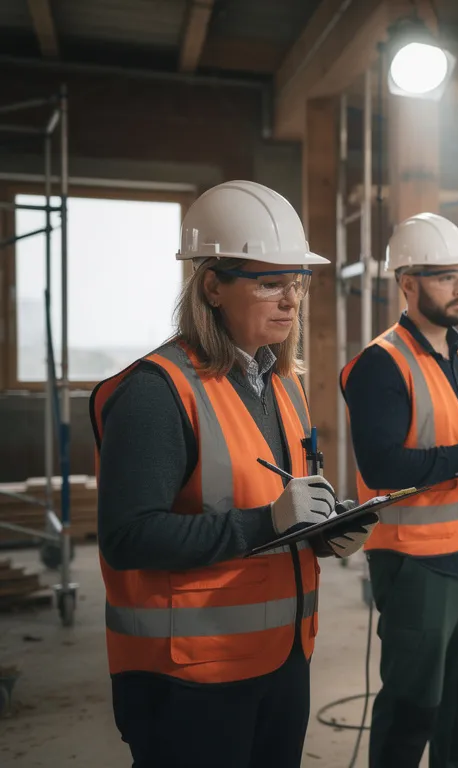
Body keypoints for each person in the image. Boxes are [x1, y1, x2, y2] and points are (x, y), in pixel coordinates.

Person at [92, 180, 373, 768]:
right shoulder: (155, 393)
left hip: (282, 656)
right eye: (271, 282)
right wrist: (266, 522)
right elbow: (128, 538)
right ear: (212, 285)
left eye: (297, 283)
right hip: (191, 674)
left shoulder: (280, 383)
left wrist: (325, 531)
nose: (291, 301)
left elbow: (279, 506)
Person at [340, 213, 458, 768]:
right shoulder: (380, 364)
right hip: (416, 564)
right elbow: (381, 466)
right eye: (444, 276)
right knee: (412, 703)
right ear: (407, 283)